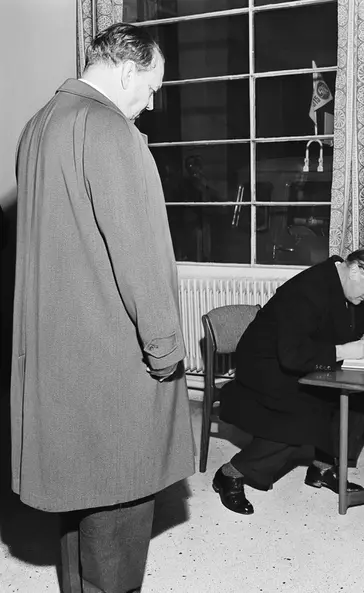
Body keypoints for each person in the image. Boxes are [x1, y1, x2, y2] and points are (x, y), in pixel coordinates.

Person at [10, 23, 195, 592]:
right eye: (153, 86)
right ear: (127, 69)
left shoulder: (39, 125)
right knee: (120, 499)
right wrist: (164, 348)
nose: (153, 102)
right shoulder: (112, 131)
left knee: (78, 495)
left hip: (56, 352)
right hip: (110, 357)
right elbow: (138, 255)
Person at [213, 247, 364, 515]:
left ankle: (323, 469)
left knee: (358, 395)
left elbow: (363, 320)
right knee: (305, 413)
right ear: (355, 269)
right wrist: (344, 351)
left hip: (302, 362)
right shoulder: (305, 290)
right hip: (266, 368)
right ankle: (231, 473)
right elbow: (291, 355)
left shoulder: (345, 284)